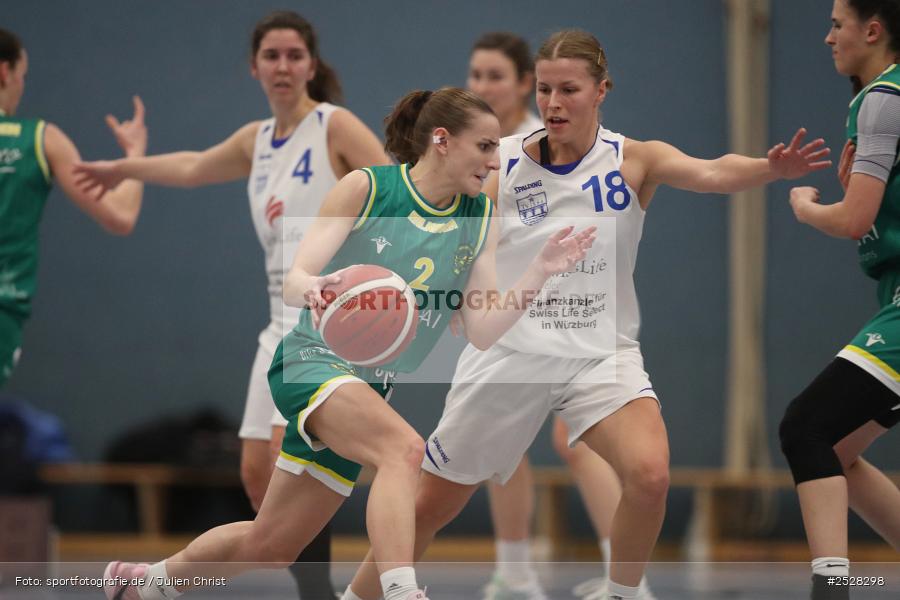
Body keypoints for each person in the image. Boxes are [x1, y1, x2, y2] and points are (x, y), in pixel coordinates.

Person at [342, 29, 830, 600]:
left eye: (568, 89)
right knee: (429, 508)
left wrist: (771, 169)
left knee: (650, 476)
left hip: (600, 353)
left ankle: (621, 594)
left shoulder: (633, 159)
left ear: (602, 90)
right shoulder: (503, 169)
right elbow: (459, 236)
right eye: (545, 90)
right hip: (511, 355)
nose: (552, 103)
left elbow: (712, 171)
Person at [87, 85, 595, 600]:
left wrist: (539, 272)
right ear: (441, 139)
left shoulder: (478, 219)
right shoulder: (367, 188)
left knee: (271, 544)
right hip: (312, 362)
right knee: (404, 450)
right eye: (485, 147)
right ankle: (401, 592)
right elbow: (295, 275)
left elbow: (483, 331)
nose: (494, 161)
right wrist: (312, 287)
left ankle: (146, 585)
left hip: (369, 388)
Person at [73, 11, 389, 598]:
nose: (283, 66)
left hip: (324, 324)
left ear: (311, 66)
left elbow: (391, 190)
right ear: (254, 66)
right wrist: (122, 166)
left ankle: (312, 592)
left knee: (287, 463)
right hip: (277, 321)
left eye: (295, 55)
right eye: (271, 55)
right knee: (254, 474)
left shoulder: (334, 126)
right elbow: (193, 166)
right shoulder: (256, 139)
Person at [466, 31, 630, 600]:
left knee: (575, 439)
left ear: (519, 84)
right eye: (475, 75)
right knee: (498, 448)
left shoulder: (547, 144)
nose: (481, 86)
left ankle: (624, 574)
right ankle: (515, 572)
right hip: (506, 316)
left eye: (493, 76)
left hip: (573, 313)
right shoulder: (483, 151)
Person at [780, 1, 900, 598]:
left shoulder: (883, 97)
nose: (828, 37)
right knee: (840, 448)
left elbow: (856, 220)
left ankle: (833, 588)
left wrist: (805, 208)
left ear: (872, 30)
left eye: (837, 24)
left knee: (807, 428)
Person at [0, 27, 145, 388]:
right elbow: (120, 215)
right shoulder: (39, 138)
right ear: (5, 73)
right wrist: (135, 155)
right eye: (23, 76)